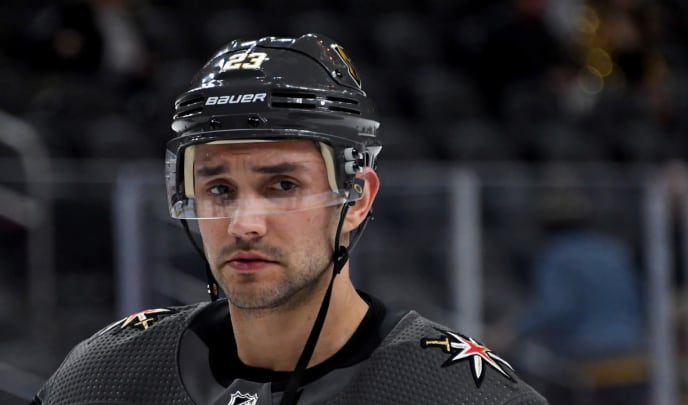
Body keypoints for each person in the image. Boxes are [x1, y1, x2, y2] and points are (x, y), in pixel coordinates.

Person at [32, 33, 547, 404]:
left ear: (358, 199)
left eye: (282, 186)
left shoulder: (456, 394)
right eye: (219, 189)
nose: (243, 224)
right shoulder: (105, 373)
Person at [515, 180, 648, 404]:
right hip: (633, 363)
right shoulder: (614, 251)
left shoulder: (556, 256)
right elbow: (640, 299)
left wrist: (515, 331)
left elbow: (557, 307)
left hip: (592, 369)